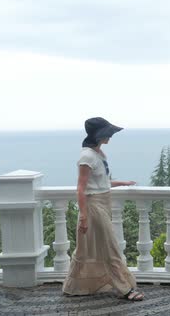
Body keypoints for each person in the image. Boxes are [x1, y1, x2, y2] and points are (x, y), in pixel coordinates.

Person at [62, 117, 144, 301]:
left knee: (84, 249)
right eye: (108, 133)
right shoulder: (87, 156)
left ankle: (72, 286)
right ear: (99, 135)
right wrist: (83, 216)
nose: (110, 137)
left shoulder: (98, 154)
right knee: (111, 247)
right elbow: (81, 189)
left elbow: (100, 183)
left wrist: (121, 182)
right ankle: (124, 289)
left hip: (103, 203)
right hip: (93, 207)